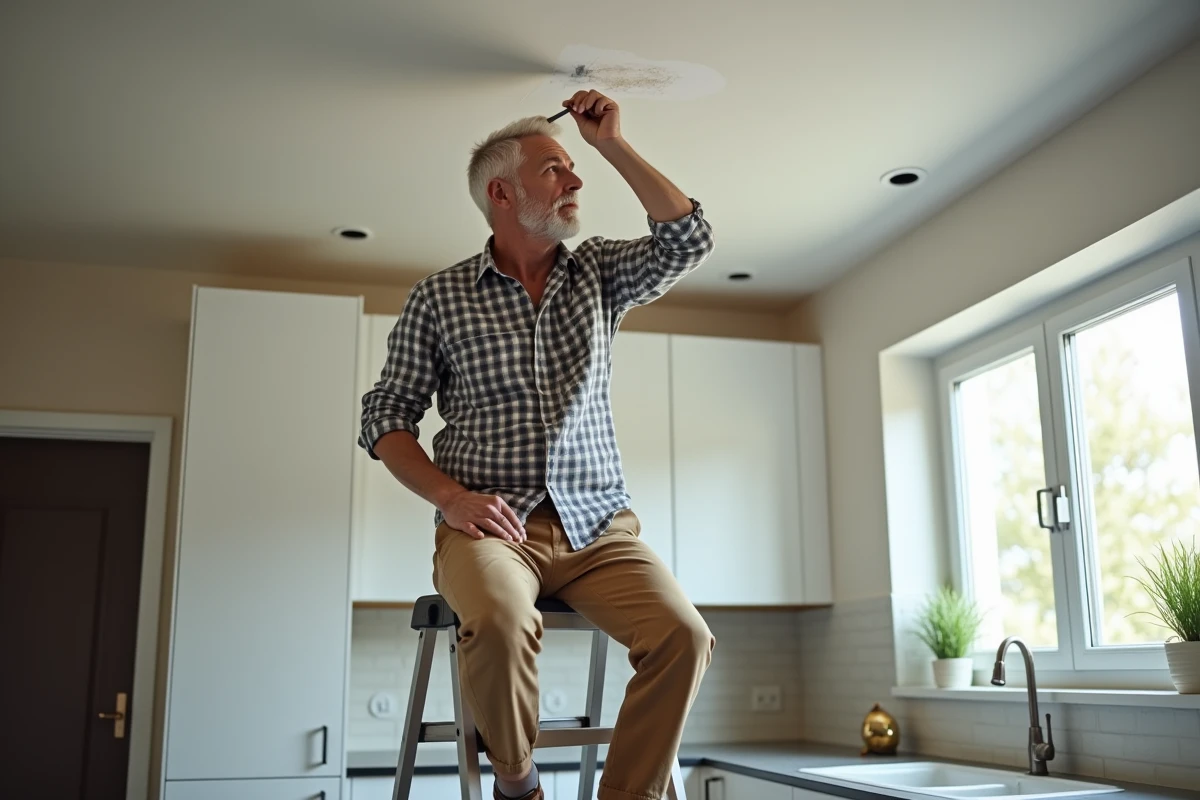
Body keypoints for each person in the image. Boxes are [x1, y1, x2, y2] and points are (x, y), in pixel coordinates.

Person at [359, 89, 716, 800]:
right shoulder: (439, 297)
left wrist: (610, 144)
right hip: (489, 527)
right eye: (554, 168)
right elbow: (385, 416)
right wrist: (451, 499)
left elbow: (688, 239)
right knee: (497, 620)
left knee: (685, 637)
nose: (575, 178)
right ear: (502, 193)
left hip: (599, 529)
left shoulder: (599, 273)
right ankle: (518, 786)